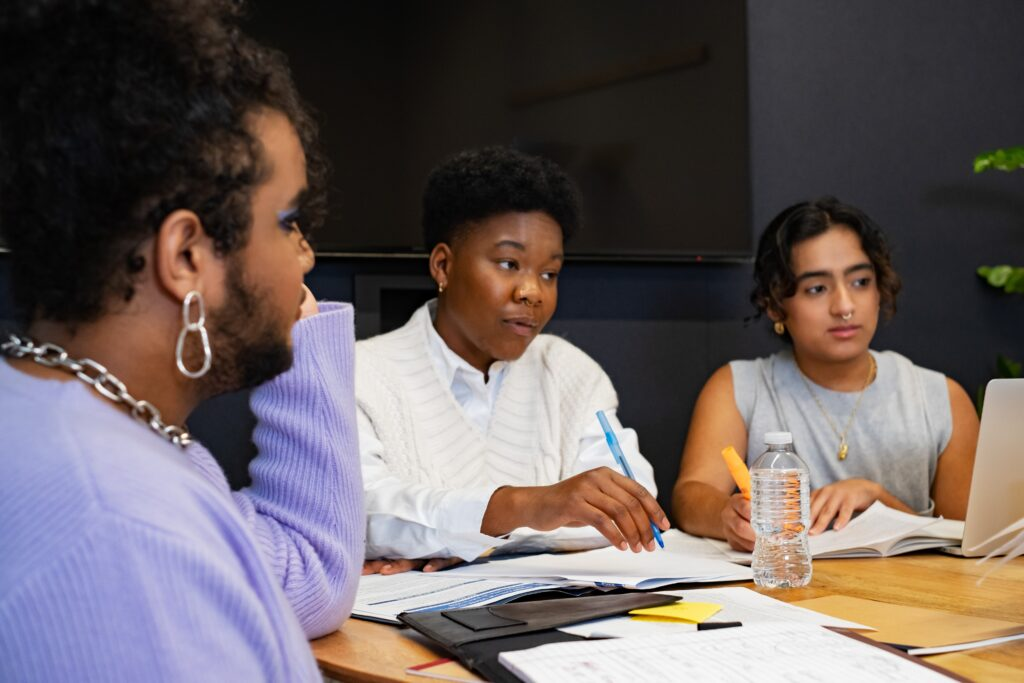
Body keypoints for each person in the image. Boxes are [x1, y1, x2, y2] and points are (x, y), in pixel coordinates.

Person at [0, 1, 362, 679]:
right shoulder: (123, 533)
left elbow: (303, 571)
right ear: (187, 255)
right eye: (286, 221)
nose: (304, 256)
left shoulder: (85, 425)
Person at [357, 146, 669, 574]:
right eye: (508, 263)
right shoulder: (362, 373)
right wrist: (531, 506)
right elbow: (359, 513)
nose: (533, 292)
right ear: (443, 266)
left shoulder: (570, 372)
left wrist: (465, 542)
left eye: (549, 274)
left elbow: (632, 509)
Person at [672, 197, 979, 551]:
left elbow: (968, 543)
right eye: (817, 288)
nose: (845, 306)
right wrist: (727, 515)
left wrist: (878, 503)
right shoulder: (738, 387)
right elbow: (691, 496)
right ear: (774, 305)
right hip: (787, 595)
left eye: (861, 281)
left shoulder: (941, 397)